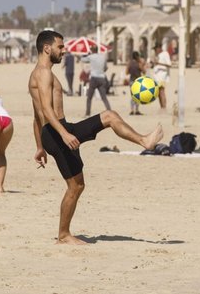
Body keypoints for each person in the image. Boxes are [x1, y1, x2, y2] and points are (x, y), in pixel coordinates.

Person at [28, 30, 163, 244]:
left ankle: (64, 233)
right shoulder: (43, 73)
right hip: (57, 133)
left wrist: (39, 146)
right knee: (75, 185)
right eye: (60, 47)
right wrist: (63, 134)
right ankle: (63, 235)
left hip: (54, 133)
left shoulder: (39, 73)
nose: (63, 51)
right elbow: (44, 109)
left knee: (78, 184)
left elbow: (36, 116)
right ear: (47, 48)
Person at [82, 44, 111, 116]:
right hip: (102, 78)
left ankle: (87, 113)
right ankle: (110, 111)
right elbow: (106, 68)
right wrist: (101, 71)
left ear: (92, 50)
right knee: (104, 97)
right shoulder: (102, 57)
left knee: (89, 97)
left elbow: (83, 59)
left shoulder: (91, 56)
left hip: (94, 78)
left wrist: (86, 54)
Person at [126, 51, 146, 115]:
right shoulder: (139, 64)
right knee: (138, 96)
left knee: (132, 96)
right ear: (137, 56)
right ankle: (137, 110)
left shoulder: (130, 63)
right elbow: (144, 71)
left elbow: (126, 72)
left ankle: (132, 110)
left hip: (131, 81)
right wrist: (142, 64)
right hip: (138, 82)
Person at [151, 43, 170, 110]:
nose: (155, 51)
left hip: (162, 76)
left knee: (162, 91)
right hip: (157, 77)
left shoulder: (165, 54)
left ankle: (164, 106)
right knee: (158, 92)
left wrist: (158, 63)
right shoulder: (158, 55)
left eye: (155, 49)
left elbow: (169, 64)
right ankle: (161, 106)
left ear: (159, 48)